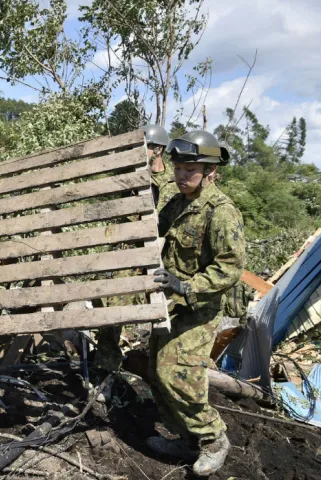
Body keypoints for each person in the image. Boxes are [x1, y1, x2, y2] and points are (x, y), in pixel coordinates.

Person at [148, 130, 244, 476]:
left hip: (199, 308)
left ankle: (214, 439)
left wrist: (186, 285)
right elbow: (154, 229)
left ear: (210, 171)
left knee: (178, 374)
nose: (182, 176)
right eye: (178, 169)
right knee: (156, 371)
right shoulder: (177, 201)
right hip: (171, 303)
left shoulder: (221, 212)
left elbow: (230, 269)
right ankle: (188, 440)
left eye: (190, 170)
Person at [94, 124, 170, 390]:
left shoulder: (173, 183)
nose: (142, 153)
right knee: (112, 308)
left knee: (164, 315)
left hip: (160, 255)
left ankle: (160, 372)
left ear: (158, 150)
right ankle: (105, 367)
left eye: (147, 148)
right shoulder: (129, 176)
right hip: (127, 253)